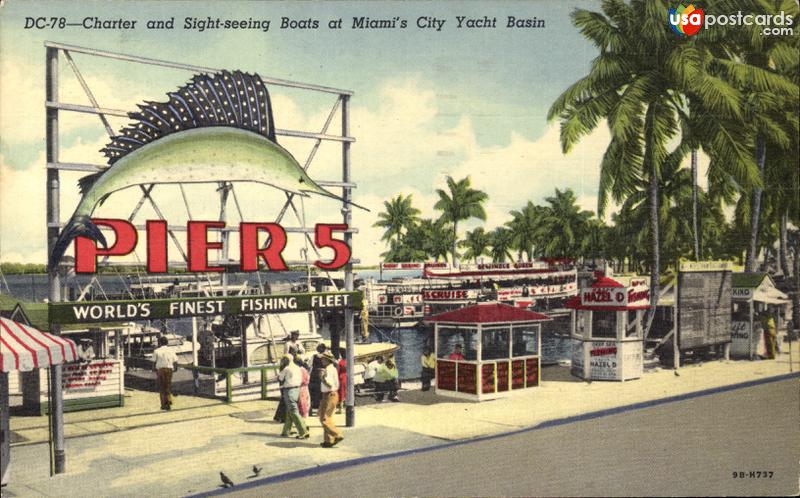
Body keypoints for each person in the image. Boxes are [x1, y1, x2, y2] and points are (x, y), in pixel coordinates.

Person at [277, 355, 309, 439]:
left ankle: (303, 431)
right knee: (289, 411)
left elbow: (280, 378)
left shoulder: (286, 368)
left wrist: (281, 367)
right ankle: (286, 431)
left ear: (286, 360)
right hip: (297, 390)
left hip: (289, 390)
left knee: (293, 411)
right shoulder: (297, 368)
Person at [318, 352, 343, 448]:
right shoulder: (332, 368)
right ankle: (328, 440)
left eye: (323, 359)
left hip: (329, 394)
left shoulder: (328, 370)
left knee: (323, 418)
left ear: (328, 360)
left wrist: (322, 378)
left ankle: (337, 434)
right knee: (328, 417)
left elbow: (330, 384)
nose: (322, 360)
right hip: (331, 394)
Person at [153, 336, 179, 411]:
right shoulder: (171, 350)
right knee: (167, 385)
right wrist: (175, 368)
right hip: (169, 369)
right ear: (167, 342)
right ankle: (168, 400)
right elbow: (175, 360)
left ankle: (164, 404)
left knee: (161, 387)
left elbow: (153, 362)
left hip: (160, 370)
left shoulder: (156, 351)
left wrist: (154, 370)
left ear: (160, 343)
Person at [309, 343, 327, 416]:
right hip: (323, 375)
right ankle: (321, 409)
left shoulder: (314, 356)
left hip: (314, 375)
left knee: (314, 392)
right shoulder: (326, 357)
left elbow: (310, 366)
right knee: (322, 392)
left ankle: (313, 408)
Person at [337, 349, 347, 414]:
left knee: (341, 393)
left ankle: (341, 408)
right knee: (346, 392)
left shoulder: (340, 362)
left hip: (341, 377)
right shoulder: (349, 361)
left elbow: (338, 371)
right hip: (347, 378)